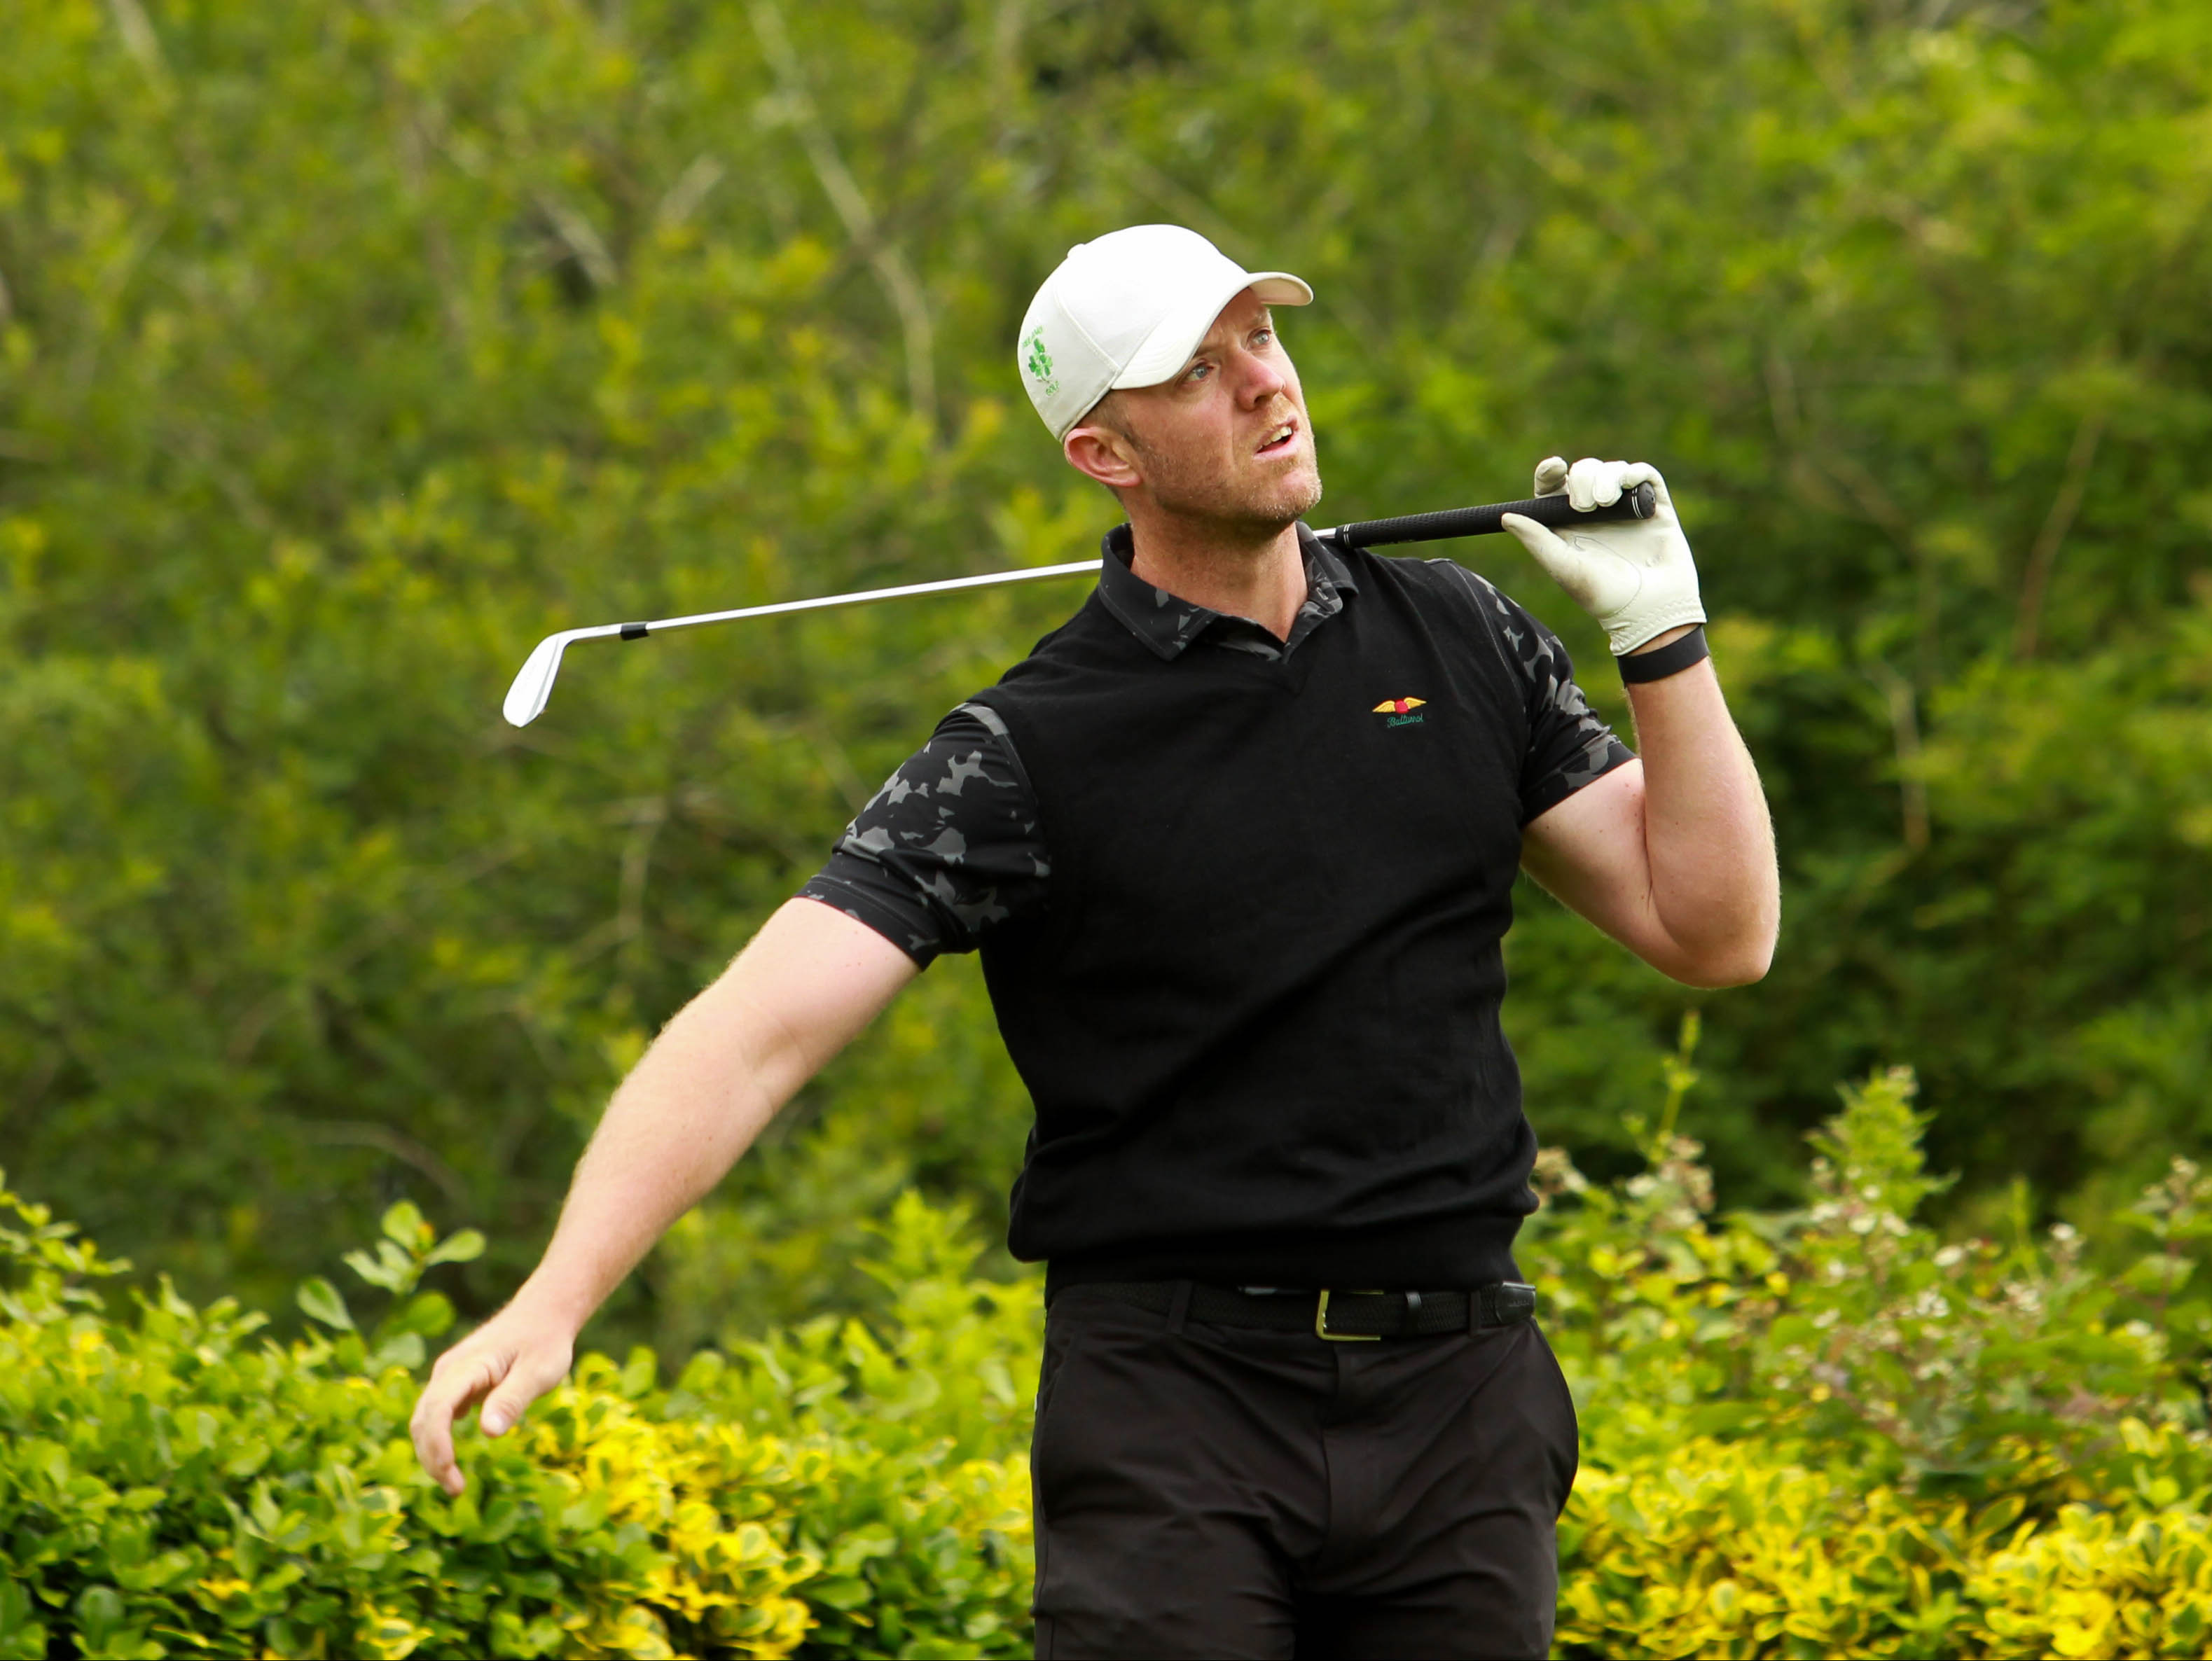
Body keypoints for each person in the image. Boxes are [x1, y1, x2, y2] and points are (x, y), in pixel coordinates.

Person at [411, 223, 1778, 1657]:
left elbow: (1716, 930)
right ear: (1102, 453)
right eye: (1195, 371)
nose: (1264, 383)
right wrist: (554, 1298)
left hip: (1462, 1395)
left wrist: (1664, 639)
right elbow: (752, 1038)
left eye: (1261, 337)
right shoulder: (1022, 750)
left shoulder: (1461, 634)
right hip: (1177, 1407)